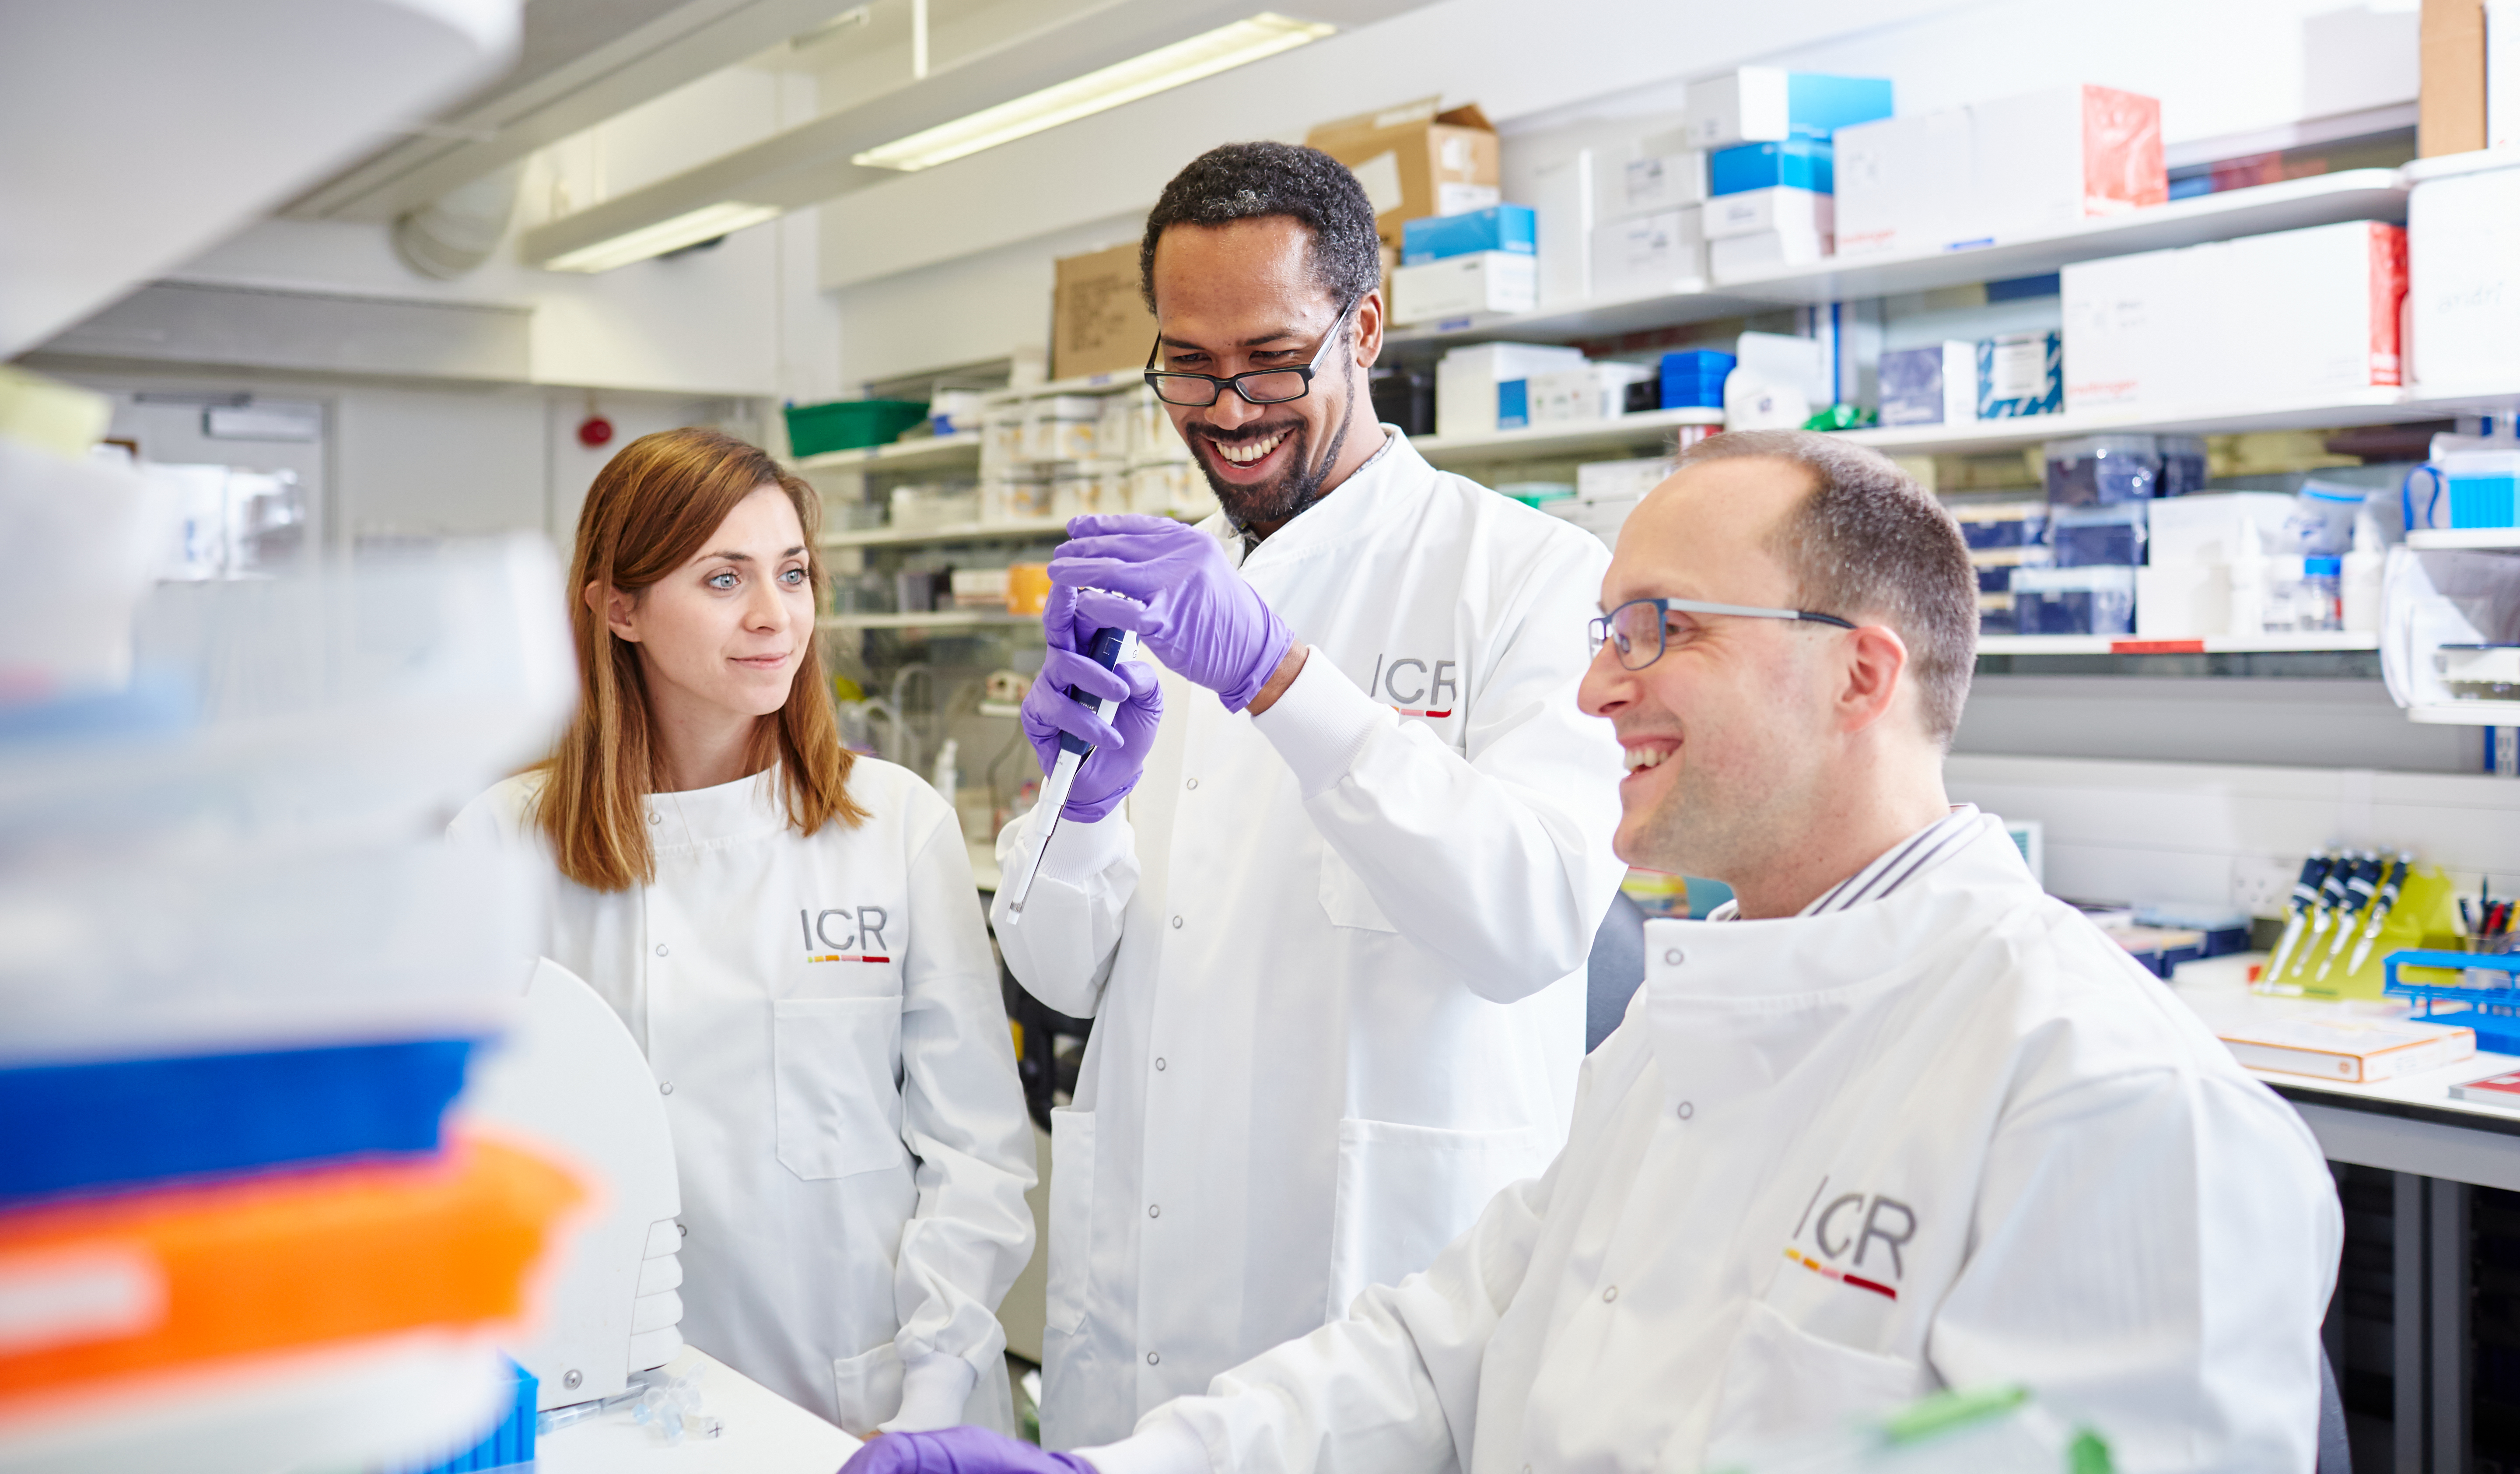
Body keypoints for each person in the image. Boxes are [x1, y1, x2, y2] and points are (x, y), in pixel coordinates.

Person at [864, 429, 2345, 1474]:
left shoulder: (2101, 1095)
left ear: (1861, 675)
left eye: (1657, 629)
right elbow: (1440, 1350)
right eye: (1603, 629)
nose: (1590, 687)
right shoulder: (1680, 1038)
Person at [995, 142, 1625, 1446]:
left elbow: (1536, 919)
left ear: (1367, 329)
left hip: (1374, 1309)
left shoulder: (1533, 578)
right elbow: (1059, 973)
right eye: (1188, 363)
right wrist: (1080, 812)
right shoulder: (1145, 593)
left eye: (1274, 358)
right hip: (1143, 1311)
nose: (1229, 407)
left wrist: (1282, 678)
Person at [448, 427, 1035, 1435]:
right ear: (618, 606)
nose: (776, 617)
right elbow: (452, 1141)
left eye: (793, 574)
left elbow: (975, 1153)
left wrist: (931, 1396)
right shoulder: (506, 841)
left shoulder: (891, 825)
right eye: (724, 579)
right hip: (597, 1398)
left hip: (872, 1396)